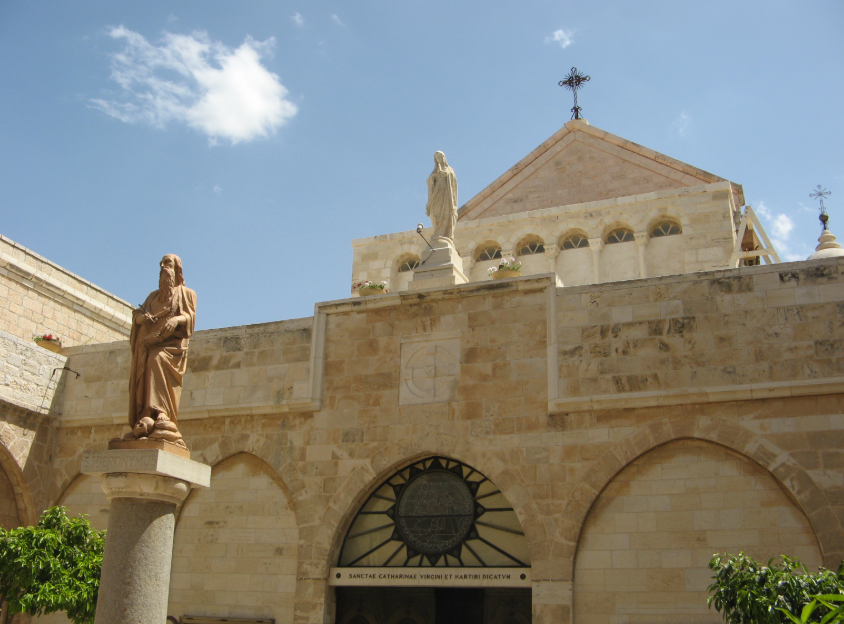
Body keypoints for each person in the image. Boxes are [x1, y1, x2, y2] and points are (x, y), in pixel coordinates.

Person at [125, 254, 197, 448]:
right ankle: (145, 416)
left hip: (171, 348)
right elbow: (137, 314)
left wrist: (176, 320)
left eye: (168, 264)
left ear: (177, 269)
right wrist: (141, 319)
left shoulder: (186, 293)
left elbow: (190, 319)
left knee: (156, 359)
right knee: (149, 361)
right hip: (148, 344)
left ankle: (160, 412)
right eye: (162, 264)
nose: (163, 267)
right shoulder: (153, 296)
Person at [425, 151, 458, 243]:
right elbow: (429, 182)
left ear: (443, 158)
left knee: (446, 214)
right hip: (436, 195)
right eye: (436, 157)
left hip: (446, 195)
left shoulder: (449, 170)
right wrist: (433, 177)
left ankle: (445, 234)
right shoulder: (434, 172)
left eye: (440, 157)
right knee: (435, 214)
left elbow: (453, 184)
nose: (438, 159)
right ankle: (437, 232)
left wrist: (444, 174)